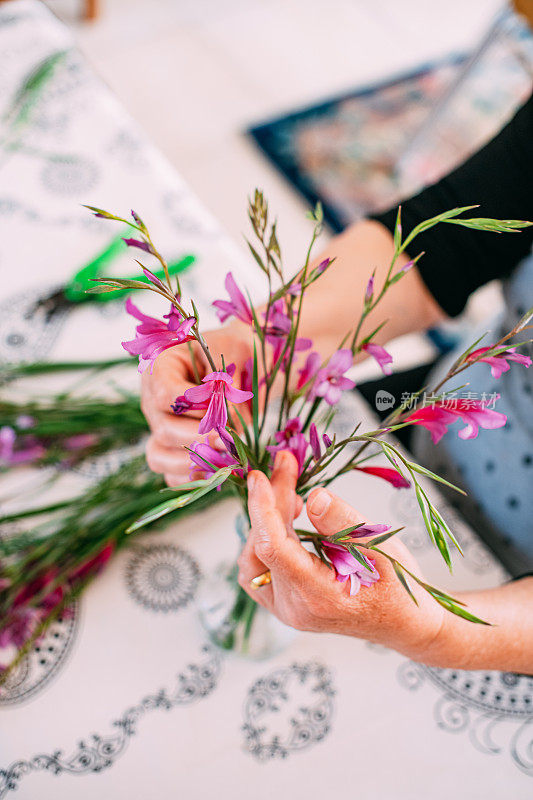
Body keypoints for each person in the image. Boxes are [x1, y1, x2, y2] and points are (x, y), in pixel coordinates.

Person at [140, 92, 533, 671]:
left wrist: (434, 631)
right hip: (436, 444)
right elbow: (446, 241)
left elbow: (435, 628)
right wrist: (265, 344)